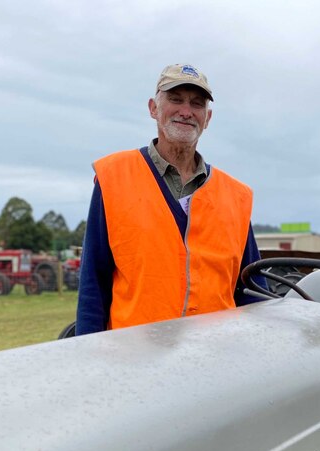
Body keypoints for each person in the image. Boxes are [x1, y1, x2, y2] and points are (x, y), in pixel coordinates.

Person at [76, 64, 263, 335]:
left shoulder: (236, 196)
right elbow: (94, 282)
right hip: (135, 359)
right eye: (175, 99)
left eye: (197, 104)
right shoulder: (114, 177)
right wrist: (89, 357)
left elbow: (252, 289)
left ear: (207, 118)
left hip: (216, 361)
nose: (186, 112)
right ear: (153, 108)